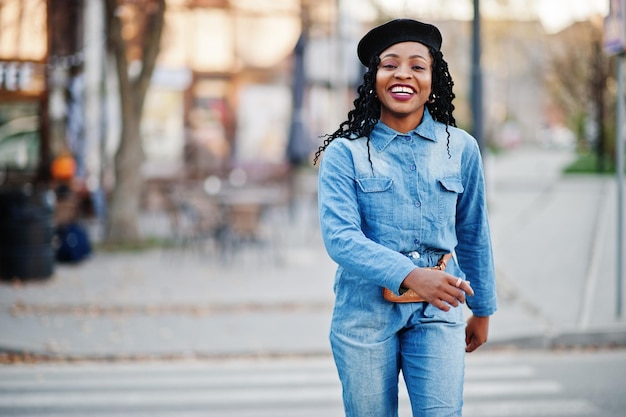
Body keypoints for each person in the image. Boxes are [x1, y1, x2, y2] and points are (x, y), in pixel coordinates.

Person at [314, 18, 497, 416]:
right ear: (373, 78)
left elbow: (473, 231)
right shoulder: (344, 154)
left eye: (417, 65)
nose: (403, 74)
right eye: (389, 64)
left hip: (439, 311)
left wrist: (482, 308)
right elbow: (340, 238)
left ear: (434, 78)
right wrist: (414, 276)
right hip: (364, 314)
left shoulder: (460, 148)